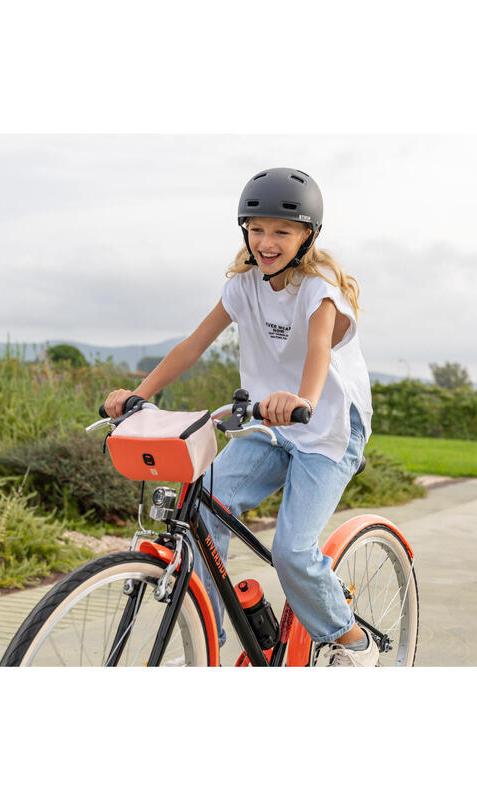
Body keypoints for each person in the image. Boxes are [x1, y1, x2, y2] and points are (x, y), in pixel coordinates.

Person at [103, 167, 375, 666]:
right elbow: (192, 346)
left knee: (294, 552)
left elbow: (318, 349)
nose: (266, 242)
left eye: (281, 231)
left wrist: (301, 400)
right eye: (256, 229)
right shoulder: (244, 286)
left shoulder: (320, 288)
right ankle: (209, 641)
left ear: (307, 236)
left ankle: (351, 641)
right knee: (205, 505)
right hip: (268, 427)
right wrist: (137, 394)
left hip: (329, 428)